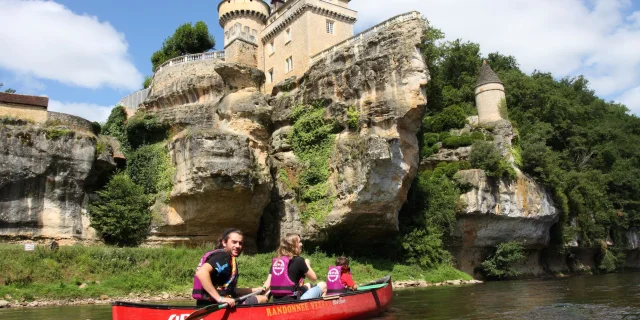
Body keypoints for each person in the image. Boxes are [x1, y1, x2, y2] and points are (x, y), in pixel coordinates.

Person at [193, 228, 268, 307]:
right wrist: (220, 299)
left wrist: (255, 290)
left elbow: (229, 290)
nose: (238, 246)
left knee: (259, 297)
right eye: (234, 242)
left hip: (209, 304)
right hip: (215, 305)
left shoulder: (223, 257)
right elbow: (201, 273)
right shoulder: (223, 256)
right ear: (224, 242)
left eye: (240, 243)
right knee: (263, 299)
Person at [262, 233, 326, 302]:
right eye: (299, 242)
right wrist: (307, 264)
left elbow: (267, 283)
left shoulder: (277, 262)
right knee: (323, 285)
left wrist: (263, 289)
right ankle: (319, 311)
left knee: (308, 285)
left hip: (277, 301)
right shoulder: (299, 260)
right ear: (292, 246)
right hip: (293, 301)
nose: (301, 244)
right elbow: (314, 278)